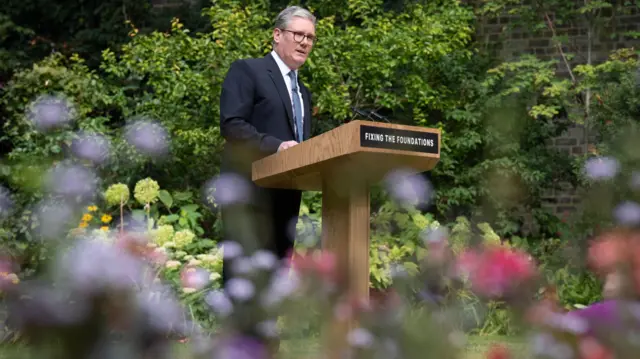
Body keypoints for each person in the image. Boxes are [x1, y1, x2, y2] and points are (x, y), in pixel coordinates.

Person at [217, 4, 317, 352]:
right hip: (249, 193)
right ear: (277, 36)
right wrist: (276, 146)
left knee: (276, 277)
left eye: (310, 38)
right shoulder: (248, 71)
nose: (304, 42)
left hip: (286, 195)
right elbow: (232, 124)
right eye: (298, 35)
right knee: (244, 277)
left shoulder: (303, 93)